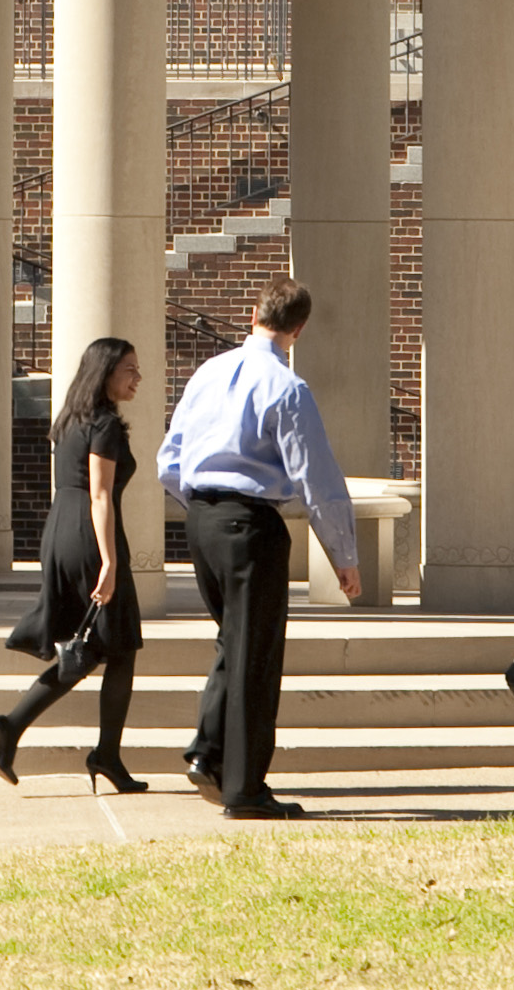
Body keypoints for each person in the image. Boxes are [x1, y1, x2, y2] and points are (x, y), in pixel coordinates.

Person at [157, 275, 361, 820]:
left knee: (233, 641)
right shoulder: (286, 388)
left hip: (200, 519)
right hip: (250, 526)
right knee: (257, 655)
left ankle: (210, 752)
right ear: (298, 329)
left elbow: (168, 460)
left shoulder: (208, 372)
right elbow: (317, 478)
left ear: (254, 311)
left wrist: (202, 505)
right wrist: (343, 555)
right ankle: (244, 788)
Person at [0, 337, 148, 794]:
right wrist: (110, 561)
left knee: (93, 647)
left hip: (61, 530)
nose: (138, 377)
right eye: (130, 369)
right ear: (107, 372)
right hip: (90, 537)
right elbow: (100, 494)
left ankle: (14, 729)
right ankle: (100, 753)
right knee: (119, 644)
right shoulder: (106, 424)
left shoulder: (71, 419)